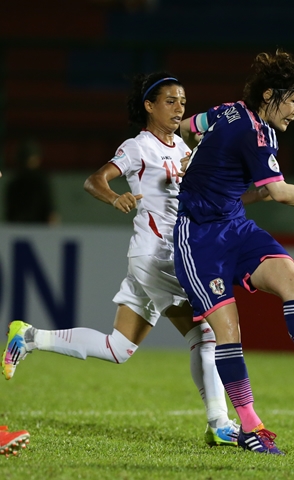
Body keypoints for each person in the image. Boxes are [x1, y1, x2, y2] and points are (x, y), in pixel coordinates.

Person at [1, 72, 271, 447]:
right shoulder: (138, 147)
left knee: (119, 348)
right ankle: (219, 422)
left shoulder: (183, 149)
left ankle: (29, 337)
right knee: (206, 334)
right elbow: (95, 179)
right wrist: (115, 198)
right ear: (149, 105)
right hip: (158, 255)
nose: (179, 108)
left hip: (163, 255)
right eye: (170, 100)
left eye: (182, 101)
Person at [175, 49, 294, 455]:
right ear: (270, 94)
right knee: (229, 331)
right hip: (199, 238)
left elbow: (186, 127)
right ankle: (251, 426)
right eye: (292, 101)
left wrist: (188, 156)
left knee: (291, 277)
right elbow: (278, 192)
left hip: (234, 226)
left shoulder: (228, 112)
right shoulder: (254, 132)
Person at [4, 138, 59, 225]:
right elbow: (51, 215)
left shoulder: (14, 184)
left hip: (27, 231)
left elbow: (50, 214)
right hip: (29, 232)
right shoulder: (41, 181)